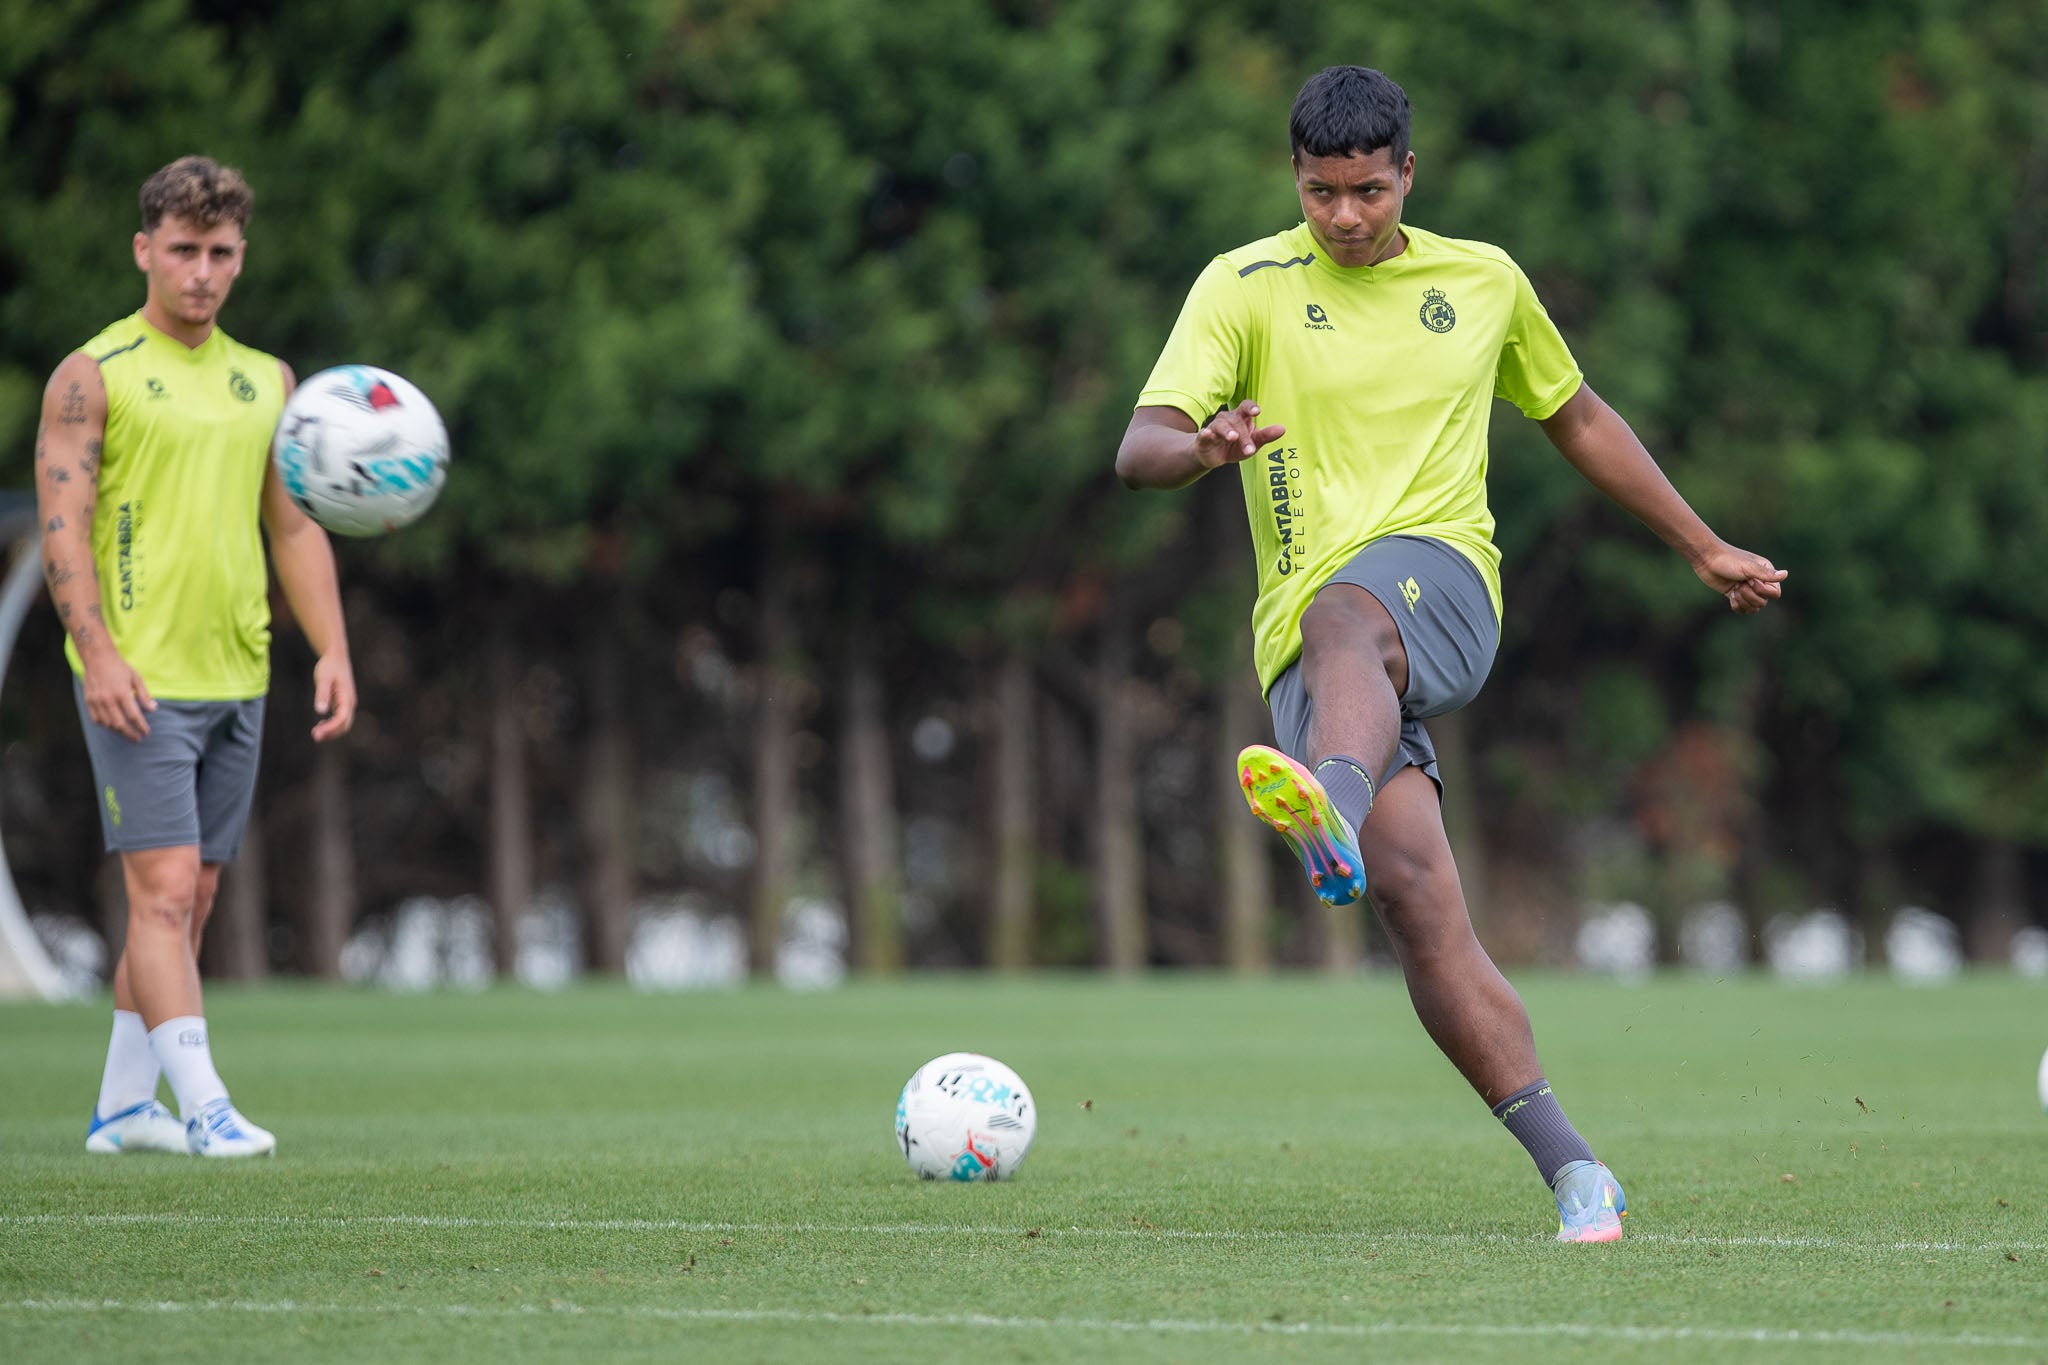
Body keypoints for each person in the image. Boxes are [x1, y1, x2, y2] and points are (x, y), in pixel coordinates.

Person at [1116, 67, 1784, 1242]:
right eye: (1321, 193)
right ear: (1294, 182)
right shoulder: (1241, 287)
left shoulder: (1480, 281)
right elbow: (1138, 447)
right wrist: (1204, 446)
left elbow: (1574, 414)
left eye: (1367, 191)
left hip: (1440, 587)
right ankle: (1576, 1172)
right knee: (1419, 907)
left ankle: (1327, 798)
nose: (1344, 217)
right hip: (1311, 661)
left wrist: (1698, 543)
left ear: (1406, 176)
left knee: (1347, 612)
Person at [35, 155, 357, 1158]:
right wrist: (98, 652)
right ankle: (208, 1105)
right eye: (182, 250)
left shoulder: (270, 382)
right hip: (138, 681)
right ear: (145, 250)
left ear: (240, 257)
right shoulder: (94, 377)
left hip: (239, 675)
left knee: (195, 899)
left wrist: (332, 648)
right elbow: (62, 528)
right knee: (165, 894)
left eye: (220, 253)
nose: (202, 273)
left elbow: (295, 529)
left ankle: (126, 1108)